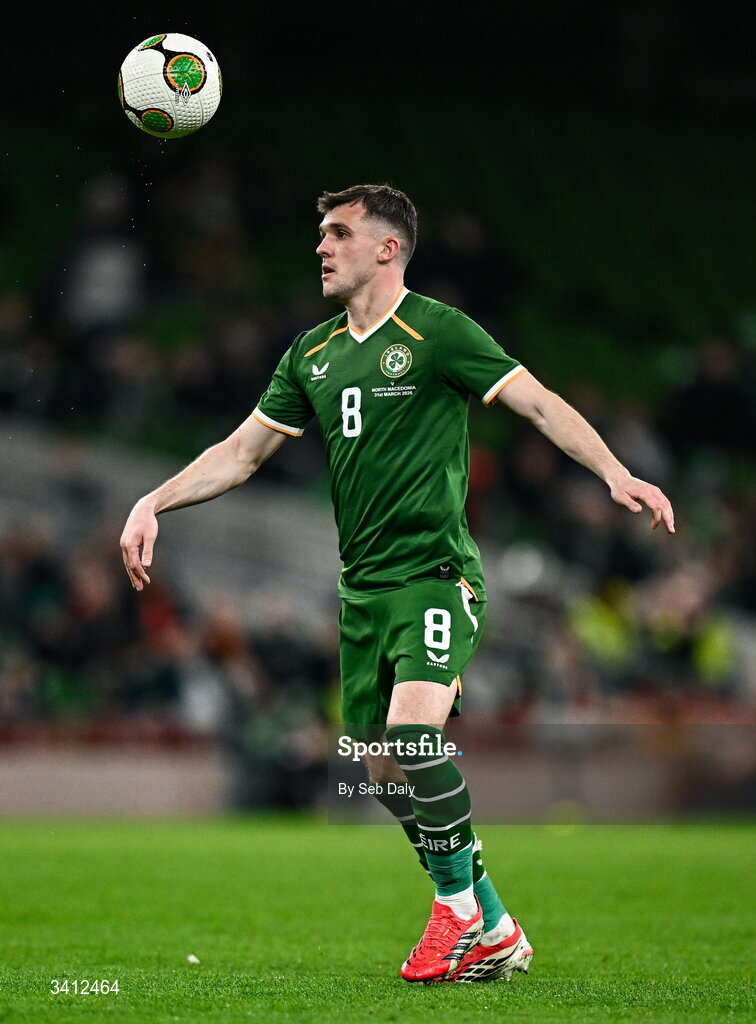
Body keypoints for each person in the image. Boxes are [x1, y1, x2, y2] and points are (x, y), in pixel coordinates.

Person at [121, 184, 675, 984]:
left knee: (415, 740)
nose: (321, 247)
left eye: (338, 233)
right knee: (378, 770)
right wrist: (153, 499)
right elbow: (242, 453)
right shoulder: (310, 353)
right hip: (362, 593)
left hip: (435, 575)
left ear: (387, 248)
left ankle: (453, 913)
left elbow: (539, 403)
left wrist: (615, 472)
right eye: (320, 234)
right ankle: (493, 919)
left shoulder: (437, 330)